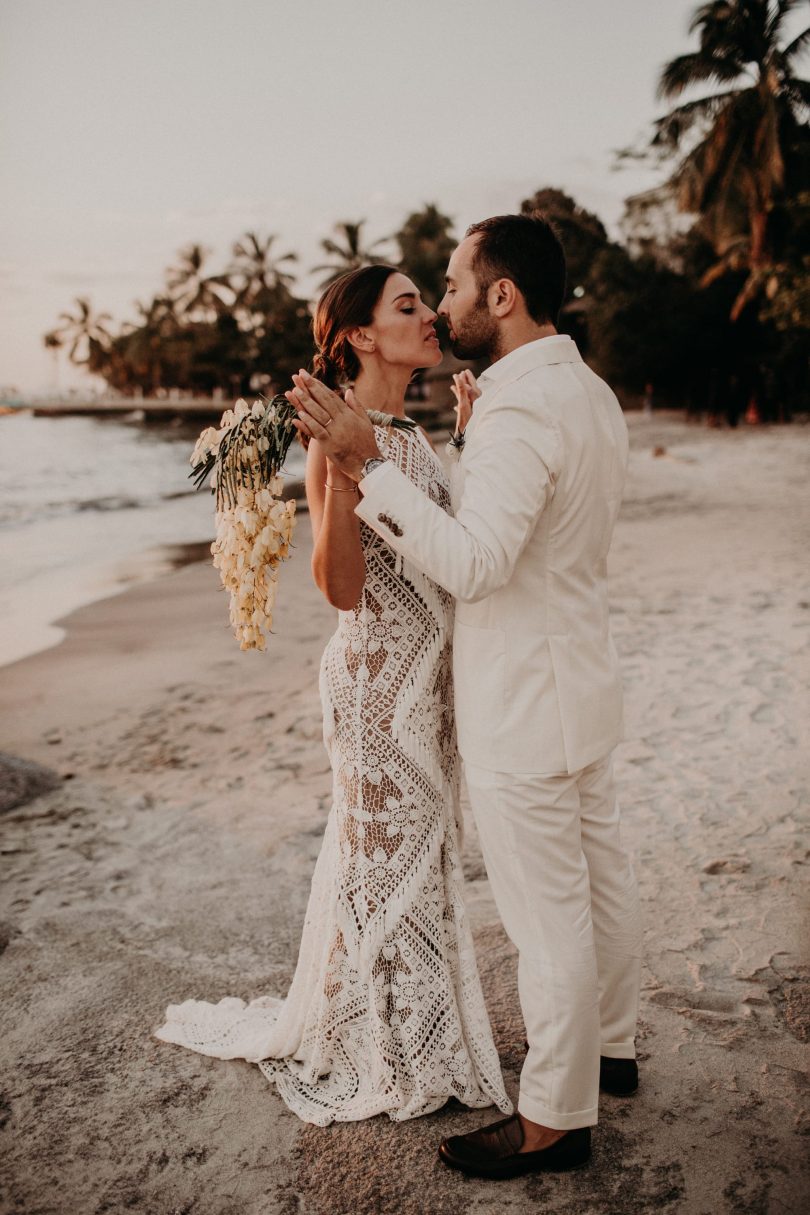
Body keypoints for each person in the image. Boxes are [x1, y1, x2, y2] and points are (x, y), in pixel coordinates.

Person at [289, 214, 644, 1177]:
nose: (442, 306)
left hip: (525, 701)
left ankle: (556, 1119)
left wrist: (370, 464)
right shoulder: (588, 394)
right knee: (600, 877)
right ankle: (613, 1047)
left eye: (449, 286)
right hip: (581, 681)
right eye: (424, 293)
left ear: (502, 295)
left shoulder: (520, 409)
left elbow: (480, 564)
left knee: (548, 915)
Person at [154, 265, 511, 1126]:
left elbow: (446, 545)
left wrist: (459, 445)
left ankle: (425, 1032)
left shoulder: (413, 434)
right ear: (358, 335)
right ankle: (391, 1049)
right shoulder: (332, 437)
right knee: (383, 864)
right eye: (408, 306)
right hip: (373, 686)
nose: (430, 316)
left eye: (427, 301)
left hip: (427, 686)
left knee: (423, 860)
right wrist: (351, 465)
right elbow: (341, 587)